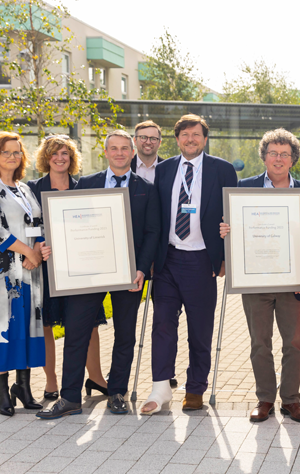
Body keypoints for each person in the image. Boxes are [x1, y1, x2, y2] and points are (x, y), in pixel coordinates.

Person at [37, 130, 160, 419]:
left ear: (132, 153)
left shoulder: (147, 188)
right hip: (87, 273)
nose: (119, 153)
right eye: (113, 148)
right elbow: (70, 224)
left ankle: (117, 392)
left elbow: (152, 233)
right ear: (105, 152)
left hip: (129, 274)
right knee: (76, 332)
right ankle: (69, 398)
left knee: (124, 335)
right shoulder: (86, 184)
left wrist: (141, 268)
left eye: (124, 149)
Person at [141, 114, 237, 414]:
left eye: (196, 134)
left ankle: (195, 388)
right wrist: (152, 260)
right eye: (184, 135)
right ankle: (160, 389)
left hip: (201, 261)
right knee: (163, 326)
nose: (190, 139)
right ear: (177, 138)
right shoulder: (165, 169)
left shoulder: (222, 170)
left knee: (199, 330)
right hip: (167, 260)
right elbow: (155, 217)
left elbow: (232, 215)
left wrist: (223, 257)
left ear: (204, 139)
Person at [219, 129, 300, 424]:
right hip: (256, 280)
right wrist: (227, 232)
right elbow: (236, 226)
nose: (278, 158)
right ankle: (264, 399)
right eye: (273, 153)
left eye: (284, 154)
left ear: (293, 159)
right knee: (260, 342)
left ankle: (291, 401)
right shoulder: (244, 188)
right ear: (263, 156)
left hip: (294, 281)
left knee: (294, 343)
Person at [0, 131, 51, 416]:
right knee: (2, 329)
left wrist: (38, 251)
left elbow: (39, 223)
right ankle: (2, 391)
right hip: (0, 275)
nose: (12, 157)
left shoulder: (24, 189)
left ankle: (23, 387)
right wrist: (27, 252)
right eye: (6, 152)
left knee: (27, 327)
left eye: (17, 152)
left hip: (29, 273)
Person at [27, 135, 109, 401]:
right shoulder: (32, 189)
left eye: (65, 153)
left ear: (72, 158)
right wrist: (39, 246)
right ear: (46, 158)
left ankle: (96, 377)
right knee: (47, 325)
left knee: (89, 325)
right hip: (47, 269)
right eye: (55, 154)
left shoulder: (83, 188)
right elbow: (28, 228)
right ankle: (51, 382)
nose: (60, 158)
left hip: (80, 267)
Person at [130, 120, 178, 389]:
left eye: (153, 138)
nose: (148, 142)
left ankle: (164, 370)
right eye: (143, 137)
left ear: (160, 142)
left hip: (162, 255)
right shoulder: (123, 168)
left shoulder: (169, 170)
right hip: (129, 255)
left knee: (164, 318)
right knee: (127, 320)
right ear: (135, 140)